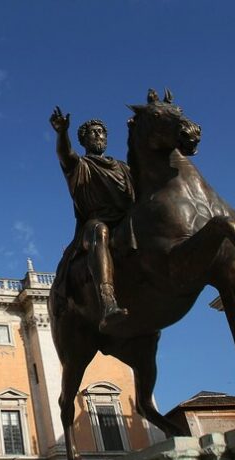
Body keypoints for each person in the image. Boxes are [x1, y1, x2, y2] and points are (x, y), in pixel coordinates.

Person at [50, 107, 135, 333]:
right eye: (93, 133)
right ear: (84, 140)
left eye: (101, 132)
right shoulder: (80, 166)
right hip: (95, 223)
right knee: (100, 232)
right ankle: (107, 299)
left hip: (126, 221)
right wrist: (61, 133)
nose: (98, 136)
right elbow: (65, 155)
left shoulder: (123, 168)